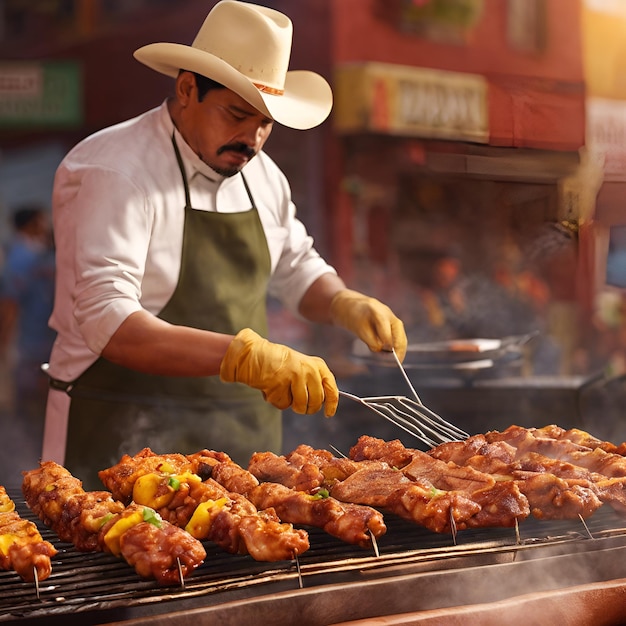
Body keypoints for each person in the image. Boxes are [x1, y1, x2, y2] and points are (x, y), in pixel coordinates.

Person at [42, 0, 406, 489]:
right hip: (116, 433)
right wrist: (244, 357)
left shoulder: (263, 176)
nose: (252, 139)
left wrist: (343, 300)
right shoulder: (116, 170)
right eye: (236, 114)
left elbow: (296, 267)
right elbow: (108, 322)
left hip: (241, 442)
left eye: (265, 123)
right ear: (187, 88)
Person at [0, 205, 56, 474]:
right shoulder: (24, 257)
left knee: (35, 412)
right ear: (33, 222)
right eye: (41, 220)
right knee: (31, 412)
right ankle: (32, 467)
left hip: (39, 346)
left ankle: (37, 464)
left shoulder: (35, 255)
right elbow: (9, 306)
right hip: (33, 347)